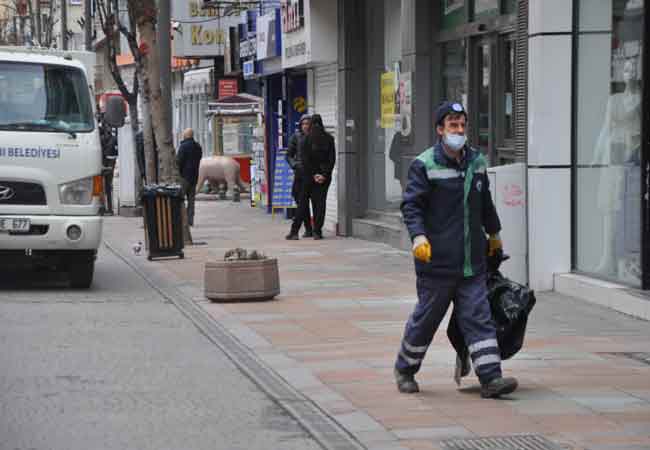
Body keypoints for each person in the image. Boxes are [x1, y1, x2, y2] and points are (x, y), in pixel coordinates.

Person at [393, 101, 518, 399]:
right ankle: (405, 368)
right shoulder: (425, 165)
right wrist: (418, 237)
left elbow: (484, 202)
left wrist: (495, 234)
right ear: (440, 130)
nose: (459, 130)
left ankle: (491, 378)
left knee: (479, 317)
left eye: (462, 124)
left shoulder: (476, 162)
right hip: (436, 262)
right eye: (452, 124)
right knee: (426, 320)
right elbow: (412, 206)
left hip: (471, 262)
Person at [287, 114, 335, 240]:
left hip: (308, 177)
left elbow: (306, 160)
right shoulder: (329, 138)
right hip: (322, 178)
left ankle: (295, 231)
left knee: (303, 203)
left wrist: (314, 174)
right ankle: (317, 231)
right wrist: (323, 175)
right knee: (320, 204)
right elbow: (331, 160)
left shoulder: (306, 140)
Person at [286, 114, 313, 238]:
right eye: (304, 124)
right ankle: (308, 229)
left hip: (311, 175)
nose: (306, 126)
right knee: (300, 201)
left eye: (308, 124)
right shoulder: (296, 137)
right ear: (300, 125)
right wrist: (295, 165)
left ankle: (295, 231)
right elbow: (289, 155)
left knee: (303, 202)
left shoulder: (314, 137)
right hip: (299, 173)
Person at [176, 128, 203, 227]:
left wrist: (178, 173)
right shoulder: (198, 147)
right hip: (194, 176)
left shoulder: (183, 146)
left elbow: (179, 161)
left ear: (186, 135)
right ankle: (190, 220)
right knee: (191, 201)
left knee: (180, 199)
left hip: (184, 177)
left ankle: (181, 219)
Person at [99, 116, 118, 215]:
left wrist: (111, 166)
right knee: (100, 187)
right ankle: (102, 207)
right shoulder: (99, 139)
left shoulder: (113, 139)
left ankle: (109, 208)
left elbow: (114, 153)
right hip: (100, 165)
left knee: (108, 187)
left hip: (108, 165)